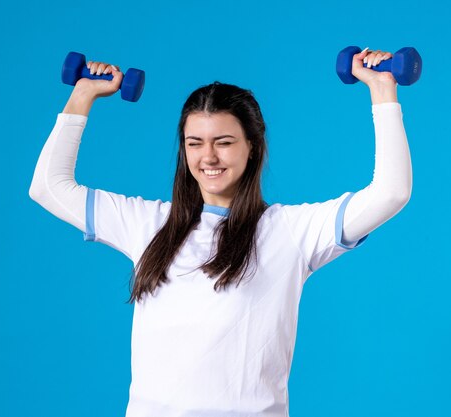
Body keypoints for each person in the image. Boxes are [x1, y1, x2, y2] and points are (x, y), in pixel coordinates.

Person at [28, 48, 412, 417]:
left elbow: (390, 192)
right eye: (195, 144)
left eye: (224, 143)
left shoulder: (290, 231)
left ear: (253, 147)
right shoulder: (147, 224)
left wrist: (382, 90)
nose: (208, 157)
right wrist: (83, 95)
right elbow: (48, 186)